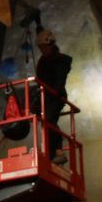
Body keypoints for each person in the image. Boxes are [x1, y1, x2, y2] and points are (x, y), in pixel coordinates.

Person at [34, 28, 72, 165]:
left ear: (50, 45)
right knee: (46, 121)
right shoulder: (43, 61)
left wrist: (54, 92)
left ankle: (57, 151)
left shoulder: (60, 60)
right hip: (46, 95)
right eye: (40, 48)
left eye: (43, 47)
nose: (42, 50)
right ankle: (54, 152)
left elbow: (60, 80)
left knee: (49, 119)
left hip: (56, 96)